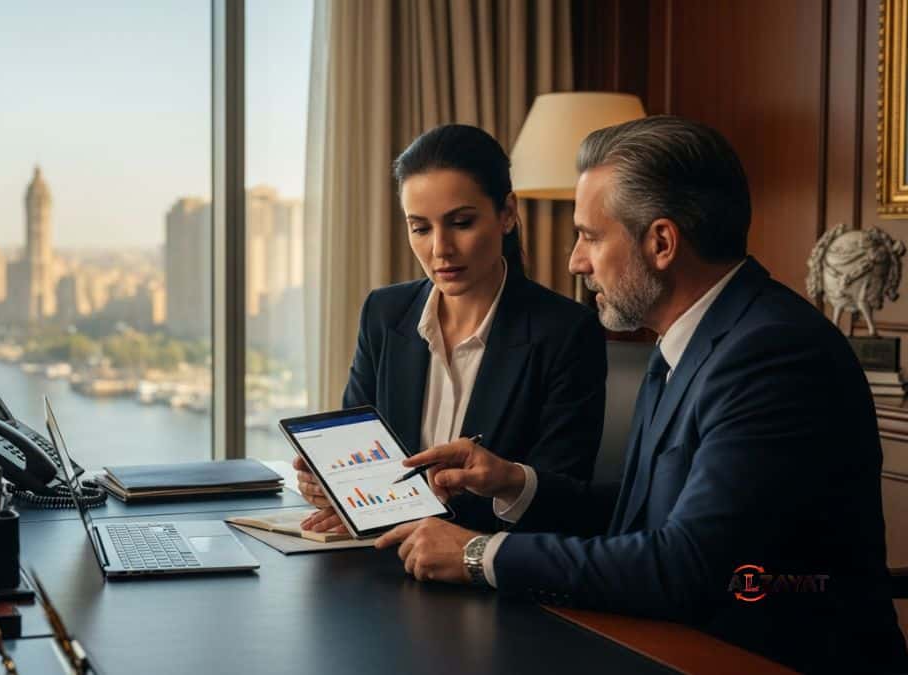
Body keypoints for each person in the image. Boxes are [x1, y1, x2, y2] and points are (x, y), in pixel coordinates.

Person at [373, 115, 908, 673]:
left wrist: (477, 553)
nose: (576, 262)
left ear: (661, 242)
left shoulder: (774, 354)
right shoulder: (684, 341)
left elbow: (686, 566)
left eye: (590, 235)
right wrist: (513, 481)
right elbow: (643, 517)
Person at [295, 124, 606, 536]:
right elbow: (362, 459)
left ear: (507, 214)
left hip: (495, 570)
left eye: (460, 222)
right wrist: (335, 486)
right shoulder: (384, 313)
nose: (440, 249)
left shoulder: (567, 332)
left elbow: (558, 499)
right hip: (382, 556)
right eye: (420, 228)